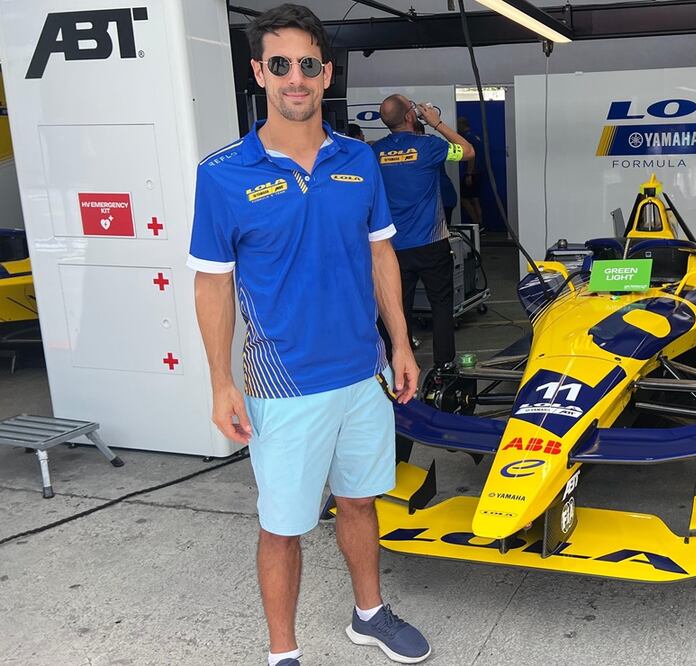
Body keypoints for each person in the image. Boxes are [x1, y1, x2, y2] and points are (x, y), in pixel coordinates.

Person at [186, 5, 429, 665]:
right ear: (259, 71)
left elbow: (382, 254)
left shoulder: (358, 160)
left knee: (358, 500)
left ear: (326, 75)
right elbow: (211, 285)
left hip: (363, 373)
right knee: (284, 527)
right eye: (281, 65)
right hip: (283, 385)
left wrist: (401, 344)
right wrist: (219, 384)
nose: (296, 78)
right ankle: (282, 654)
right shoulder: (222, 174)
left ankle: (369, 614)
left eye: (309, 65)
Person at [372, 96, 474, 367]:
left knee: (395, 311)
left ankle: (396, 369)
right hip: (431, 245)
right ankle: (444, 369)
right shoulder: (429, 146)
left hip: (392, 250)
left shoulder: (374, 152)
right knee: (441, 307)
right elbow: (467, 150)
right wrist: (436, 122)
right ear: (409, 117)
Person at [414, 120, 459, 224]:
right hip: (438, 199)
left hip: (441, 198)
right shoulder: (427, 147)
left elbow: (466, 151)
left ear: (419, 133)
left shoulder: (429, 146)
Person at [457, 115, 484, 229]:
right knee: (475, 198)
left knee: (464, 199)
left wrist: (468, 173)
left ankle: (476, 224)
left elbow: (471, 157)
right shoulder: (476, 137)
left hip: (471, 173)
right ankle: (480, 225)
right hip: (478, 172)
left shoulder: (467, 138)